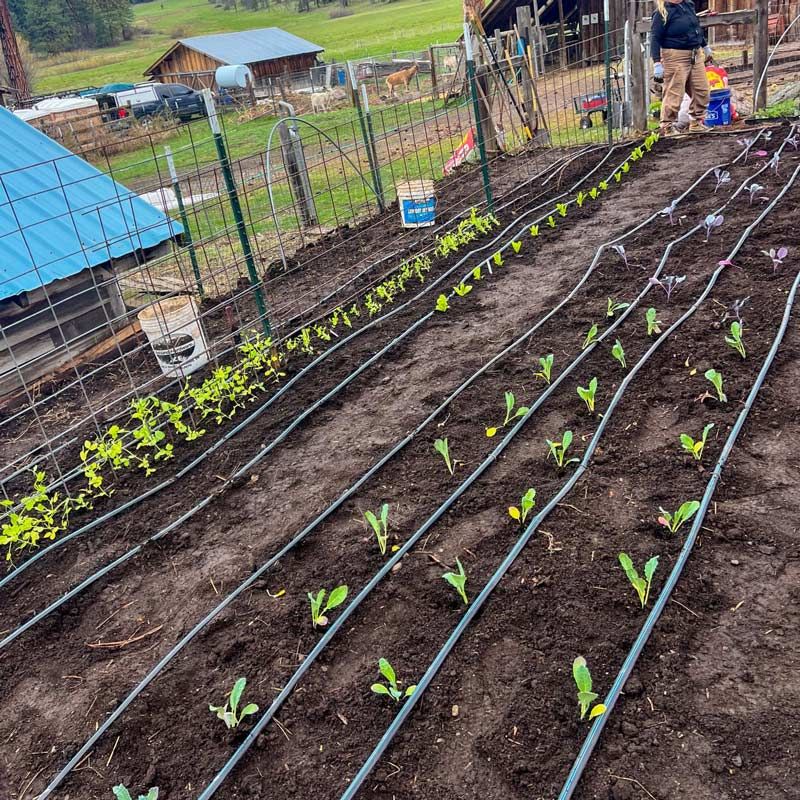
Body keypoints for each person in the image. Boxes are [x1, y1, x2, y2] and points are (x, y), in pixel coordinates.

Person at [651, 0, 714, 134]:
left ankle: (696, 122)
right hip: (675, 56)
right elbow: (655, 38)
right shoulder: (662, 12)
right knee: (674, 92)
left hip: (695, 53)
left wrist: (705, 46)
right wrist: (657, 62)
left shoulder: (688, 5)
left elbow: (695, 29)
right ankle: (668, 126)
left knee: (702, 90)